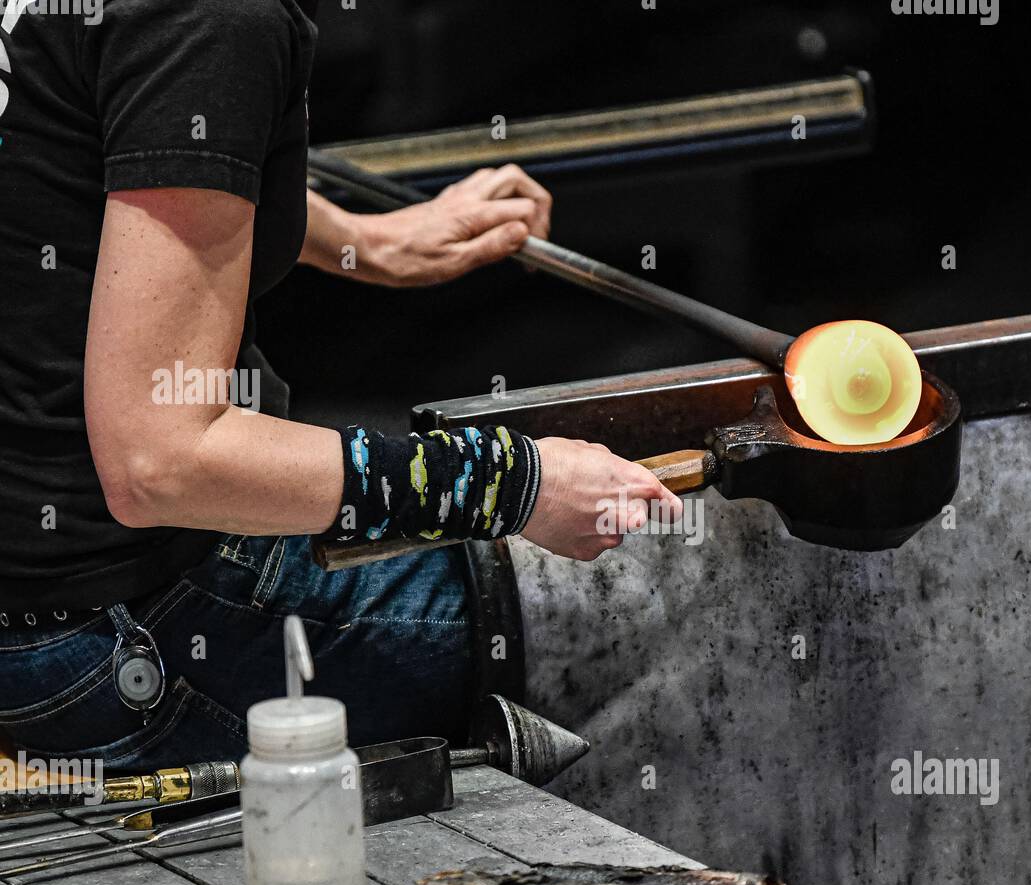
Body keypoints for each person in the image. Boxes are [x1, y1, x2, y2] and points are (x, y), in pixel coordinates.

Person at [0, 0, 679, 772]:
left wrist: (366, 241)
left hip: (35, 602)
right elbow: (161, 463)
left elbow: (144, 144)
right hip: (128, 640)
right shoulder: (218, 17)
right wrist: (513, 485)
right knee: (660, 600)